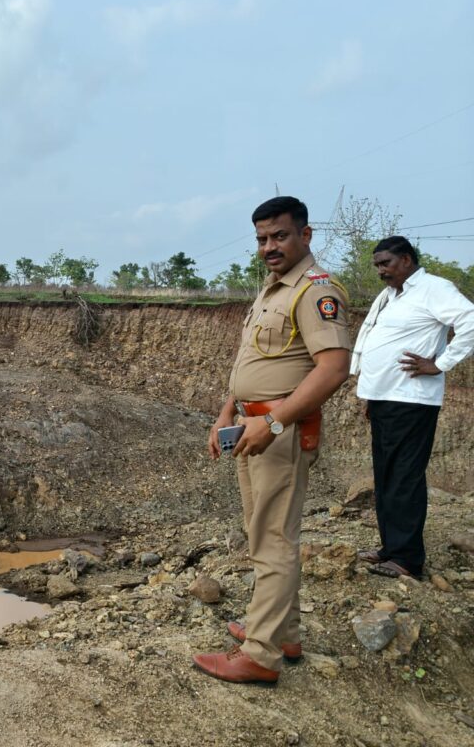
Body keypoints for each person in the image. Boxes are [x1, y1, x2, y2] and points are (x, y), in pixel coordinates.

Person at [193, 196, 351, 685]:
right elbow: (253, 363)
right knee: (264, 534)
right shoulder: (272, 290)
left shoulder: (315, 290)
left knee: (274, 540)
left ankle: (261, 656)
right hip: (251, 429)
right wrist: (227, 411)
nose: (269, 246)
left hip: (278, 434)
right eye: (262, 238)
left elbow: (334, 369)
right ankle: (284, 632)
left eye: (279, 236)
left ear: (305, 235)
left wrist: (274, 424)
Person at [351, 235, 474, 579]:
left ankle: (407, 559)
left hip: (412, 400)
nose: (380, 271)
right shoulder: (391, 295)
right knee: (386, 475)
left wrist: (441, 362)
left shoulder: (434, 288)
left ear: (406, 260)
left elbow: (470, 321)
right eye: (377, 265)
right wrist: (371, 394)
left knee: (404, 477)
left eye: (385, 264)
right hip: (386, 398)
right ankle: (391, 548)